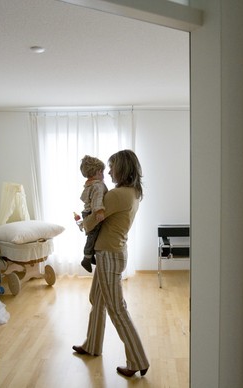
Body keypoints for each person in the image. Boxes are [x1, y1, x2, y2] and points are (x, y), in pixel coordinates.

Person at [72, 149, 150, 378]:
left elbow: (91, 222)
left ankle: (137, 359)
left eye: (113, 166)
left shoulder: (118, 195)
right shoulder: (133, 192)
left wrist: (81, 221)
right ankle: (92, 345)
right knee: (97, 299)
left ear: (123, 168)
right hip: (113, 251)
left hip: (108, 254)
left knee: (116, 308)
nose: (110, 171)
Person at [76, 155, 108, 273]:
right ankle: (86, 258)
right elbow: (97, 200)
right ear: (98, 172)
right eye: (102, 172)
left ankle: (91, 256)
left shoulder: (89, 184)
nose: (104, 175)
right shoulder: (97, 186)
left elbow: (85, 198)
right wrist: (99, 211)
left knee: (94, 235)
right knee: (93, 235)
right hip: (92, 212)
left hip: (86, 212)